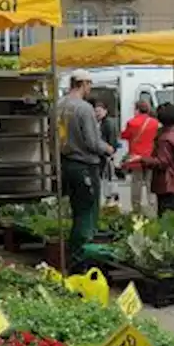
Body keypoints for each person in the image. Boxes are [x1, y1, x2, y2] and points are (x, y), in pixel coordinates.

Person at [55, 70, 115, 264]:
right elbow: (92, 141)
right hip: (85, 165)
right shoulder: (84, 108)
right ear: (82, 84)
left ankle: (73, 254)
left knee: (76, 209)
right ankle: (81, 258)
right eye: (89, 84)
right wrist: (107, 148)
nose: (90, 88)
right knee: (86, 213)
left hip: (66, 163)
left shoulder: (59, 105)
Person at [119, 100, 159, 214]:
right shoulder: (155, 123)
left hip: (135, 158)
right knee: (150, 183)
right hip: (150, 157)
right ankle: (152, 206)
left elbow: (125, 135)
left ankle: (136, 208)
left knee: (136, 183)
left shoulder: (132, 122)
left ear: (137, 109)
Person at [92, 99, 119, 181]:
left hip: (105, 155)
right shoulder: (95, 122)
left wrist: (110, 151)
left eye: (99, 111)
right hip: (98, 154)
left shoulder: (108, 123)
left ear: (105, 111)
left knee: (104, 177)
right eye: (96, 111)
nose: (97, 113)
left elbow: (112, 139)